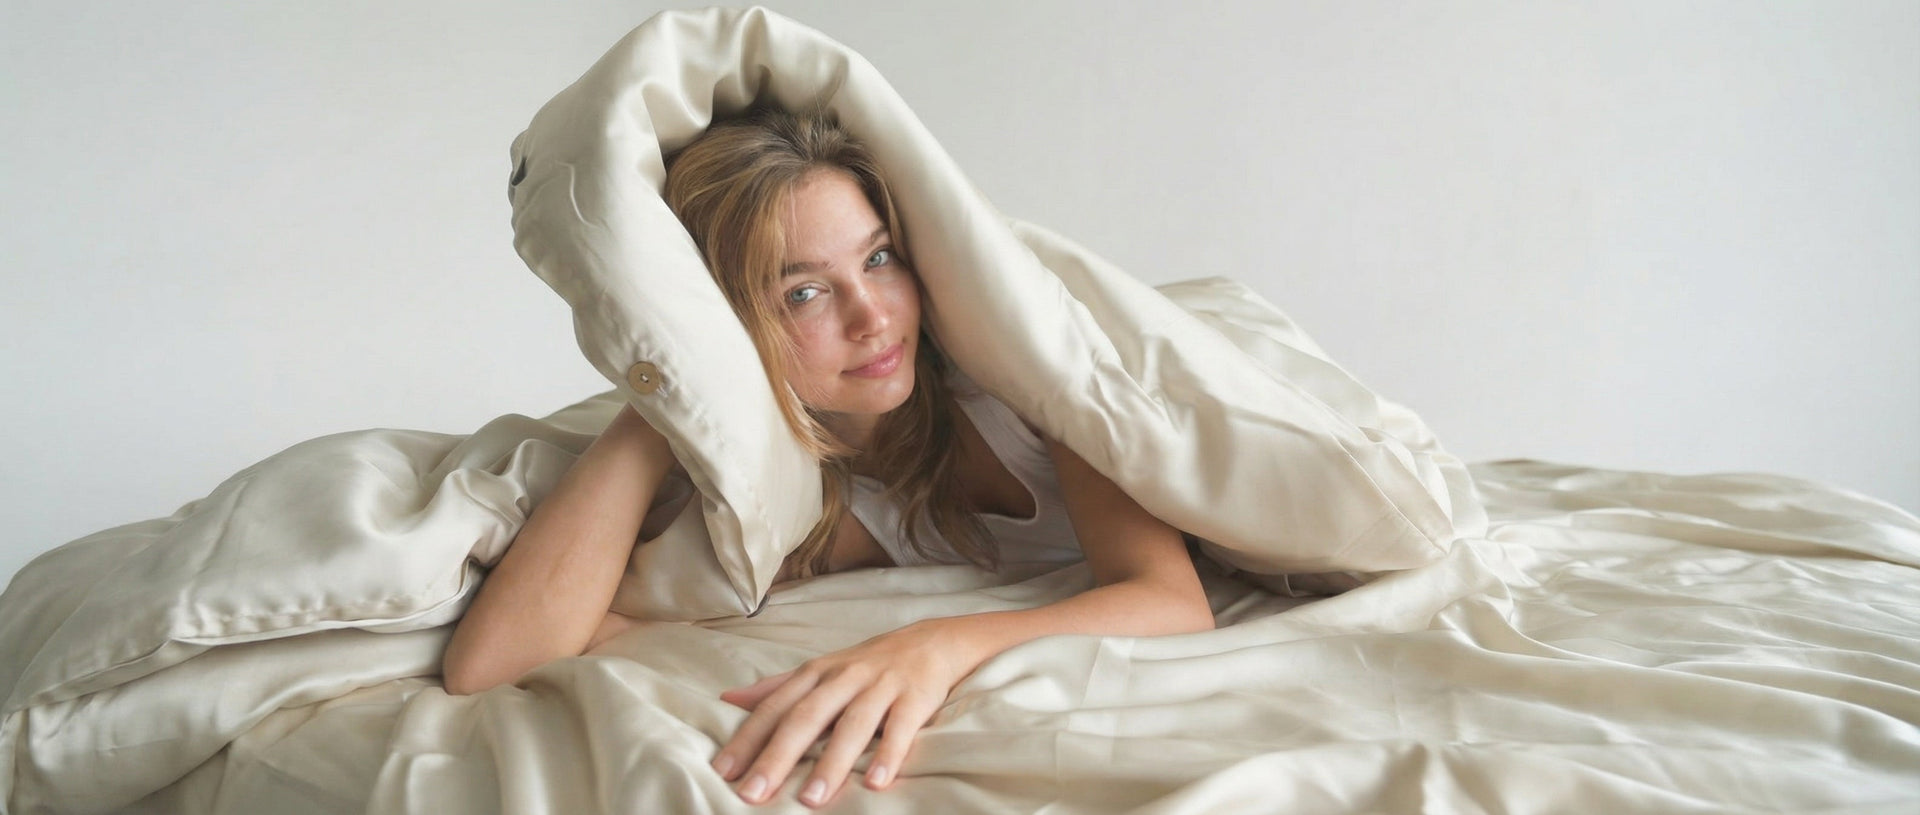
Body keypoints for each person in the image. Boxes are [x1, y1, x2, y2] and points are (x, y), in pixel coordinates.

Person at [440, 105, 1214, 808]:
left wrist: (934, 645)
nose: (873, 317)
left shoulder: (1018, 385)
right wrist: (666, 388)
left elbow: (1172, 601)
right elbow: (495, 661)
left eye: (878, 259)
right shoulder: (818, 499)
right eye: (803, 293)